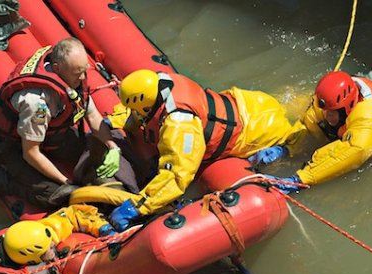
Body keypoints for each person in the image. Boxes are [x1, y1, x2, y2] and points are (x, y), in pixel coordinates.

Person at [107, 69, 300, 231]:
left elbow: (177, 176)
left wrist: (138, 207)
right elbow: (136, 114)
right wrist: (113, 122)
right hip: (251, 102)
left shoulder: (179, 123)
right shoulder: (162, 81)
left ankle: (283, 149)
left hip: (259, 132)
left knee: (296, 143)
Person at [0, 37, 136, 210]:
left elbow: (93, 116)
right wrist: (66, 182)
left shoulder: (74, 76)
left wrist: (112, 147)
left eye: (84, 71)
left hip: (50, 133)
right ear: (57, 69)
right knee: (58, 196)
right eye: (77, 73)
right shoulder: (37, 103)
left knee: (110, 141)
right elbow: (31, 153)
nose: (82, 77)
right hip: (17, 146)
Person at [252, 70, 372, 192]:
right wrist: (285, 148)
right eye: (326, 111)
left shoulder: (370, 116)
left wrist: (300, 179)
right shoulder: (333, 102)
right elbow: (309, 122)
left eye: (332, 113)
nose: (326, 116)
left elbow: (350, 153)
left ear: (348, 107)